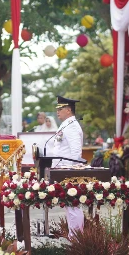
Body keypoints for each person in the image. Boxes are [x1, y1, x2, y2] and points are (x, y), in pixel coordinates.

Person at [53, 95, 85, 236]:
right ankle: (74, 237)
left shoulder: (71, 126)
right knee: (69, 206)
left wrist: (72, 172)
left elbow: (76, 151)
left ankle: (77, 239)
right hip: (63, 170)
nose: (57, 112)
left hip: (69, 171)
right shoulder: (66, 124)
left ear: (68, 110)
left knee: (73, 207)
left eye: (60, 109)